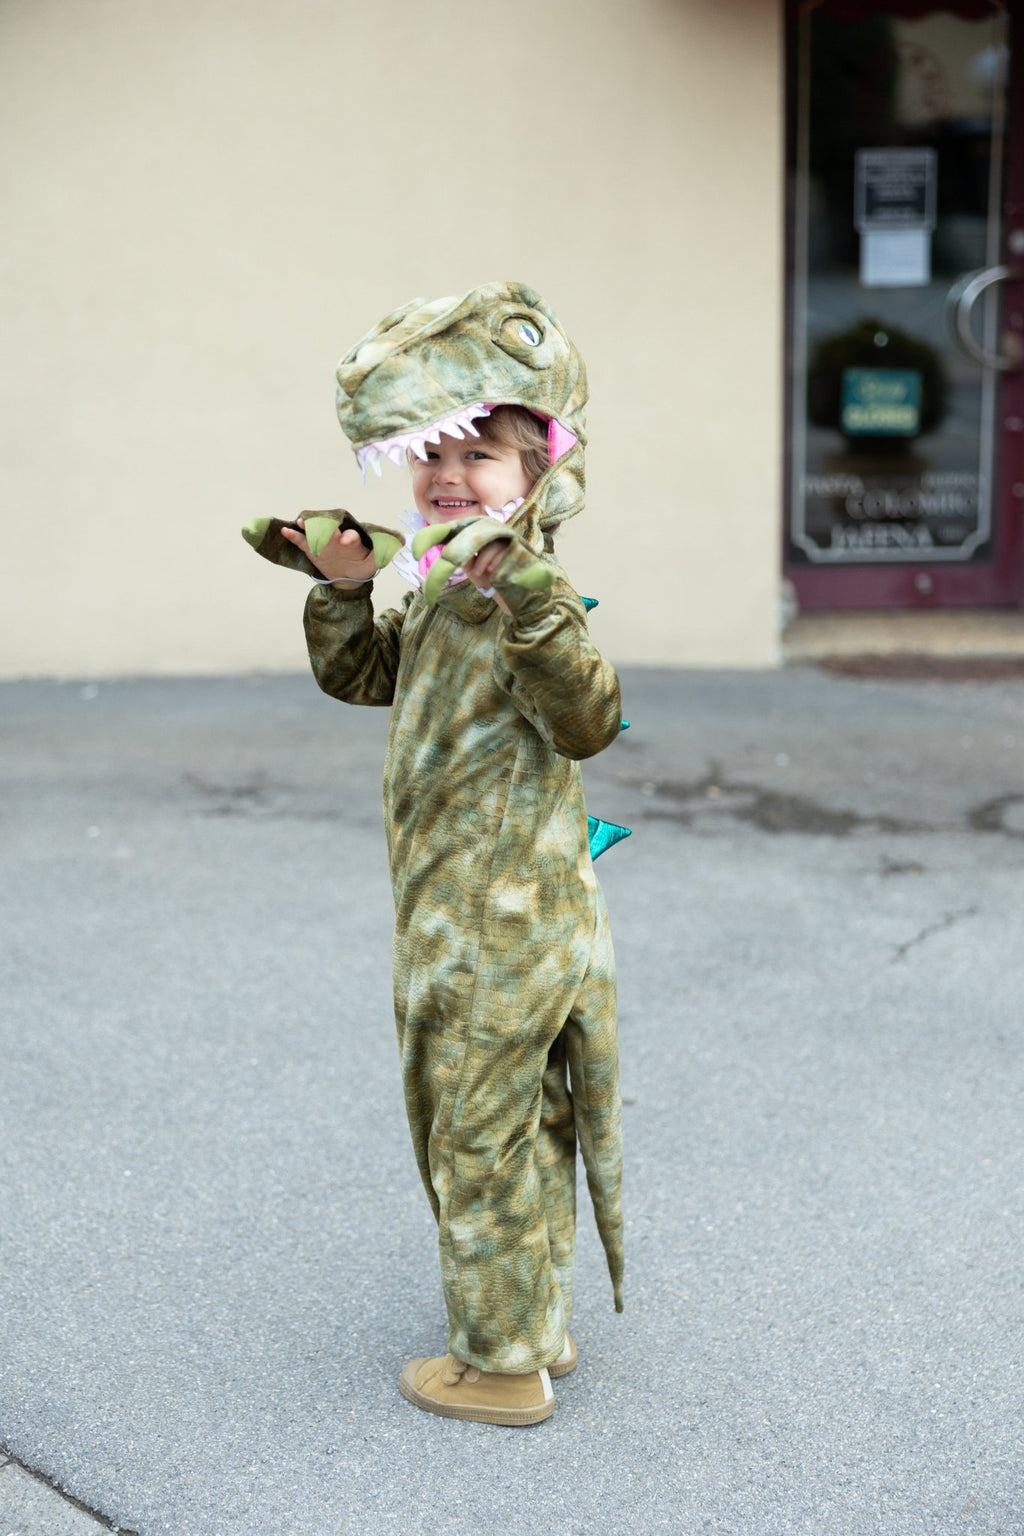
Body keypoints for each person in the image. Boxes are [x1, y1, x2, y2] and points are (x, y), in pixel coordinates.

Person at [262, 283, 624, 1427]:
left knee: (468, 1123)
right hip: (458, 902)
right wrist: (345, 590)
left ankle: (500, 1365)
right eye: (435, 457)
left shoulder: (523, 588)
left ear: (539, 471)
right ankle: (537, 1321)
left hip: (496, 916)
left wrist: (525, 601)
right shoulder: (438, 577)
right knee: (522, 1118)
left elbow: (588, 721)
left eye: (482, 453)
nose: (450, 475)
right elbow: (372, 681)